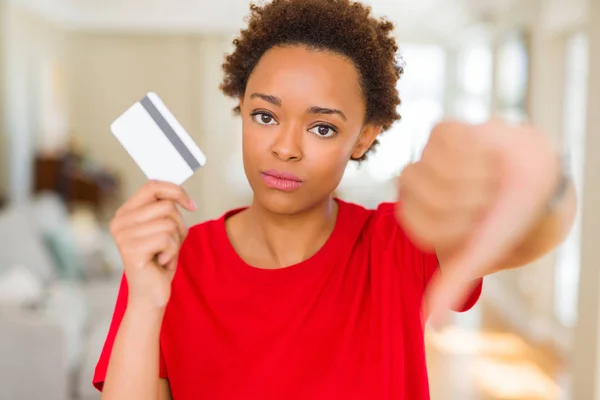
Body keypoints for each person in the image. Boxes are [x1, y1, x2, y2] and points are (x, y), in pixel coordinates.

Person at [93, 0, 577, 399]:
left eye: (322, 127)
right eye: (265, 116)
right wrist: (145, 303)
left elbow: (535, 229)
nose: (285, 147)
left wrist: (541, 184)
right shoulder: (172, 261)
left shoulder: (399, 246)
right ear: (241, 110)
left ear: (364, 138)